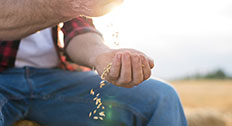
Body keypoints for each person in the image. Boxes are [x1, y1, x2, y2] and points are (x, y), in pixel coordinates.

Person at [0, 0, 188, 126]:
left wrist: (101, 54)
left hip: (54, 80)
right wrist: (77, 4)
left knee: (161, 97)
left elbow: (78, 32)